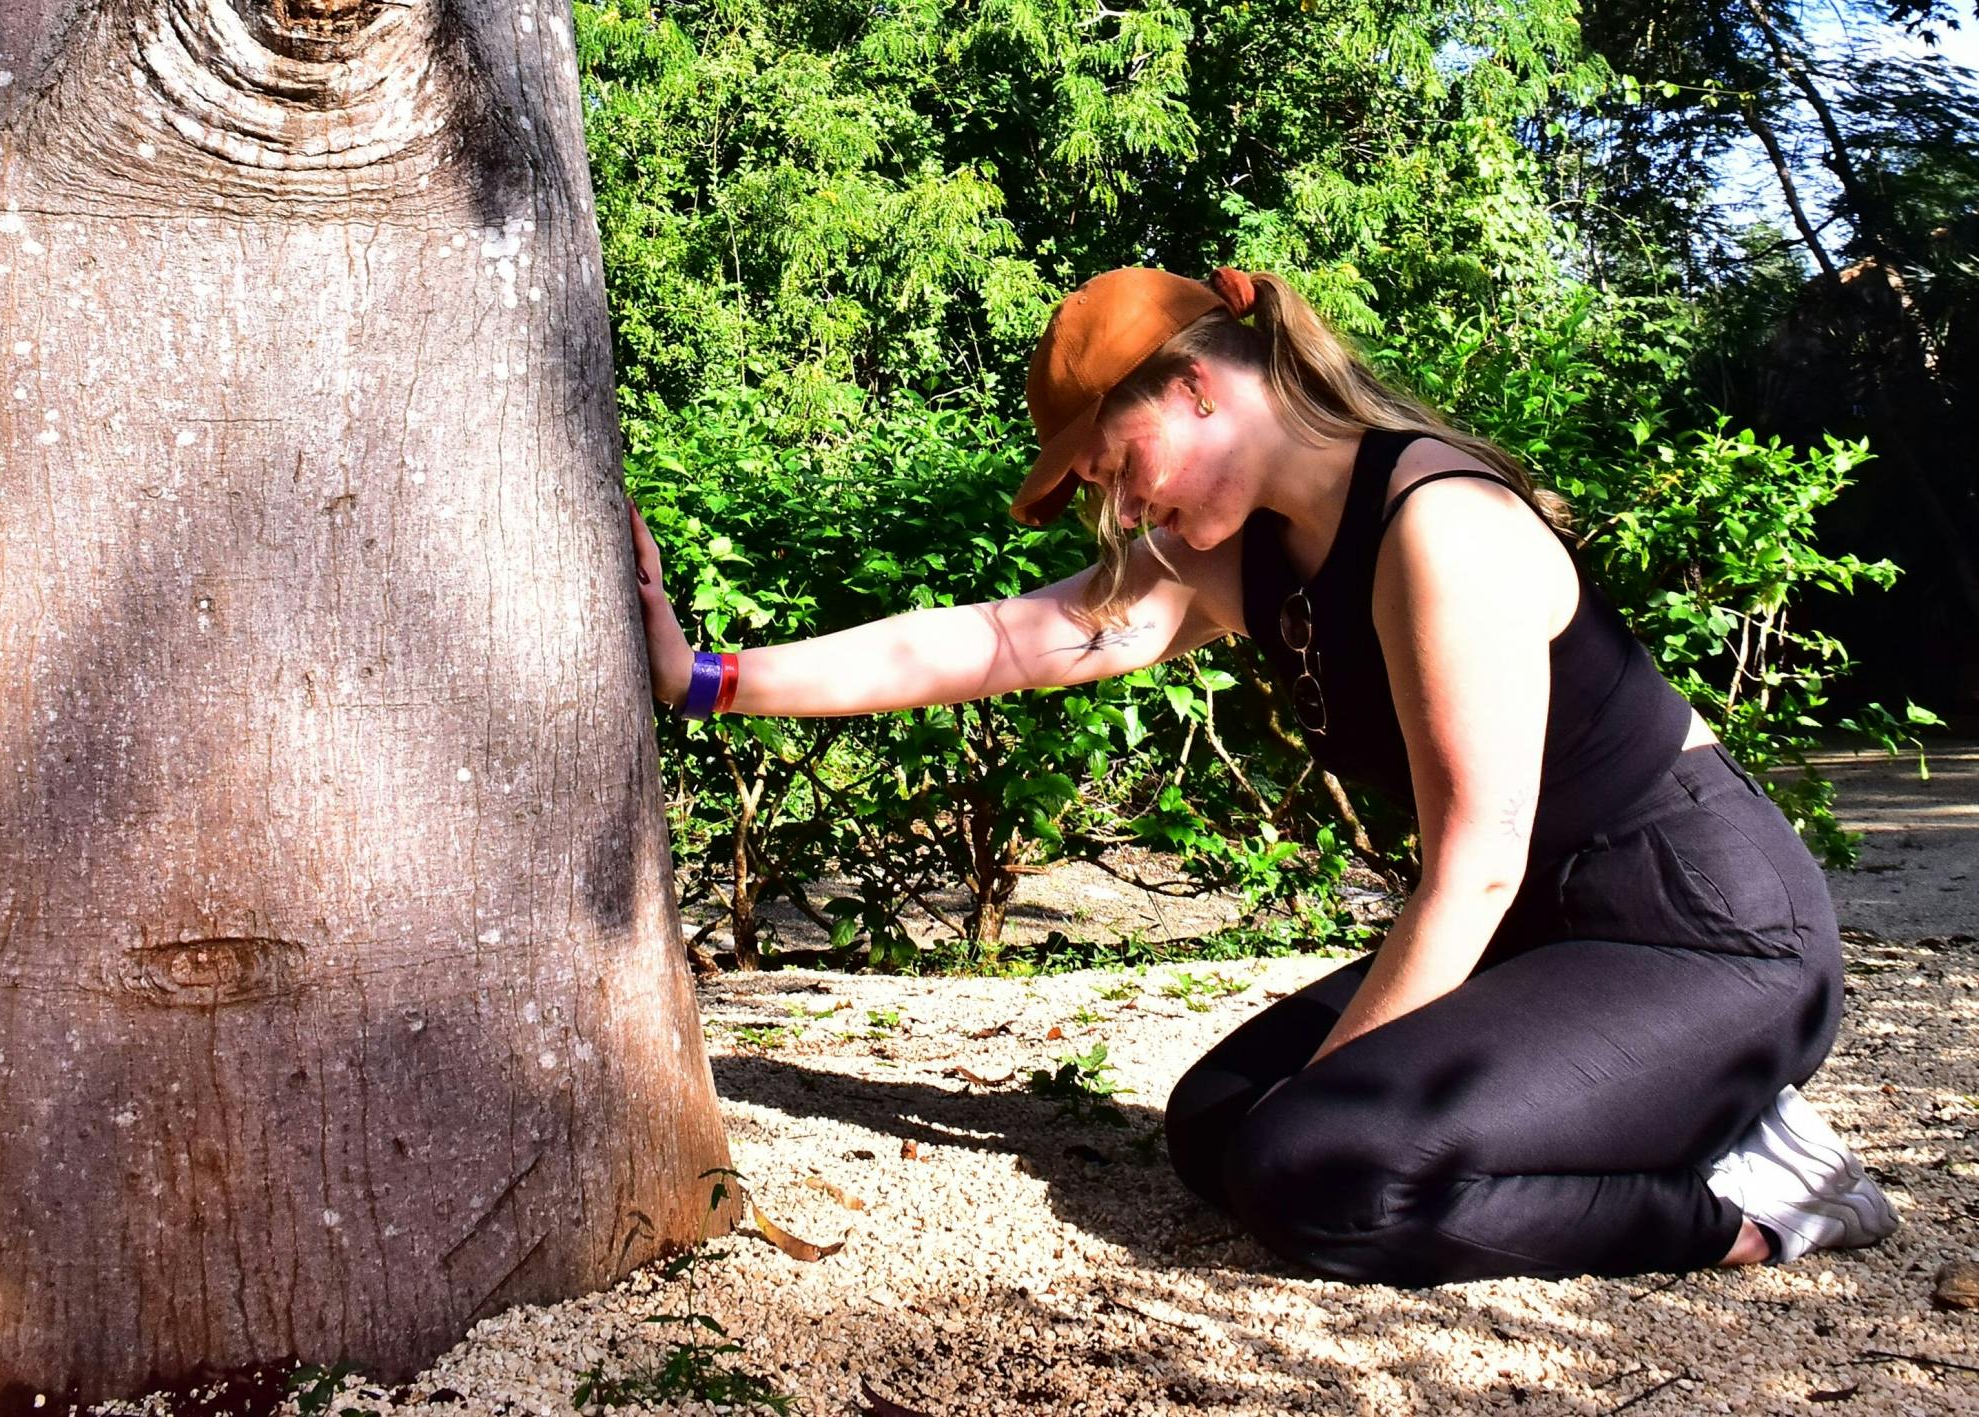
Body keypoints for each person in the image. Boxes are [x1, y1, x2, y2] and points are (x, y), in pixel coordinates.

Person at [627, 266, 1899, 1285]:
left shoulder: (1436, 525)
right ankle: (1662, 1122)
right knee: (1219, 1118)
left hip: (1705, 936)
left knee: (1315, 1167)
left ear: (1191, 389)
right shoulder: (1259, 555)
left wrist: (1335, 1098)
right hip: (1554, 939)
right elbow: (998, 640)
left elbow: (1476, 867)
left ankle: (1742, 1205)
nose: (1115, 512)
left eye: (1108, 463)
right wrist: (704, 678)